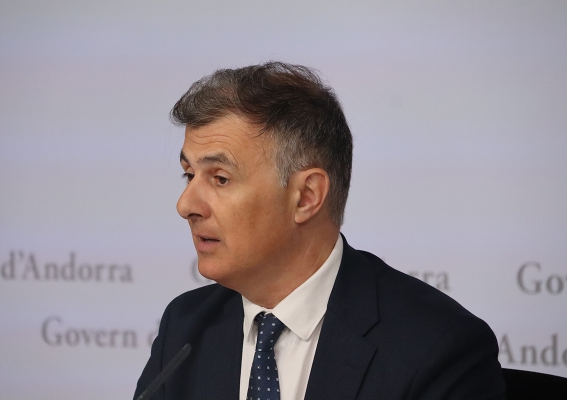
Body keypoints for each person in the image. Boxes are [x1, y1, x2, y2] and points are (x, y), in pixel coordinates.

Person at [134, 62, 505, 399]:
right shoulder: (187, 326)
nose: (185, 205)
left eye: (220, 178)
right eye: (188, 175)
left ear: (306, 197)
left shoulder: (435, 348)